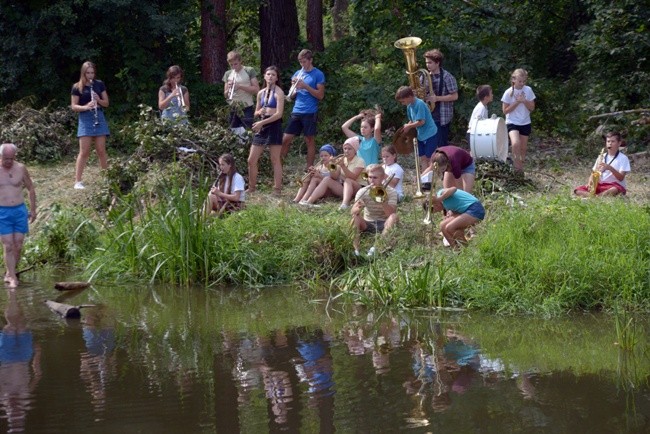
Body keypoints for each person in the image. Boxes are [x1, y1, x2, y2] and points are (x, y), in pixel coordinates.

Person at [0, 288, 42, 433]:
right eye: (18, 417)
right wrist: (36, 359)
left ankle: (12, 294)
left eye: (14, 417)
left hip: (6, 356)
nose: (16, 411)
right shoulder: (26, 398)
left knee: (11, 325)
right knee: (21, 325)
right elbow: (37, 376)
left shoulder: (1, 397)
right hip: (24, 356)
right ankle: (15, 295)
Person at [281, 49, 326, 167]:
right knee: (286, 138)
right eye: (300, 62)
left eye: (304, 61)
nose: (302, 64)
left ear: (311, 60)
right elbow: (291, 96)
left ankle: (309, 168)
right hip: (297, 110)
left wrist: (305, 86)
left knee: (309, 140)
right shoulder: (297, 73)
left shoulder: (318, 74)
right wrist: (294, 88)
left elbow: (320, 95)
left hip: (310, 111)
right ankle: (279, 166)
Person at [0, 144, 36, 289]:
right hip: (3, 211)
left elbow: (31, 188)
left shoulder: (21, 168)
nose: (8, 161)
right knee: (8, 244)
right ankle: (12, 277)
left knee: (18, 244)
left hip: (20, 210)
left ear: (15, 157)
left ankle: (10, 272)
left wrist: (33, 209)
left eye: (11, 158)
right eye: (5, 158)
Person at [70, 60, 110, 190]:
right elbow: (74, 106)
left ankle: (107, 178)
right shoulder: (77, 87)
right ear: (83, 73)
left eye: (92, 73)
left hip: (99, 115)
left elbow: (106, 103)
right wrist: (86, 106)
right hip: (85, 117)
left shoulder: (99, 84)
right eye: (88, 73)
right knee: (84, 151)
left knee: (101, 150)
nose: (90, 75)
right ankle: (78, 181)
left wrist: (98, 100)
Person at [248, 66, 285, 194]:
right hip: (261, 125)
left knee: (275, 159)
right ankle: (251, 187)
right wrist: (259, 112)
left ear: (276, 78)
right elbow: (255, 112)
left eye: (273, 75)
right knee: (251, 160)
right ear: (264, 76)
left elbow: (279, 114)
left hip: (274, 125)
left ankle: (277, 189)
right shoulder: (261, 93)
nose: (270, 76)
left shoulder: (279, 93)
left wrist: (262, 122)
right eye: (268, 74)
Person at [300, 138, 365, 209]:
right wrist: (331, 164)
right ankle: (309, 202)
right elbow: (334, 177)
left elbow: (353, 177)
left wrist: (342, 166)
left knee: (348, 180)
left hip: (357, 189)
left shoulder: (360, 161)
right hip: (344, 188)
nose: (346, 151)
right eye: (345, 148)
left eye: (349, 149)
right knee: (327, 179)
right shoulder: (342, 159)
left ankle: (345, 204)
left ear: (355, 150)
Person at [351, 164, 399, 257]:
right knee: (354, 217)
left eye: (375, 177)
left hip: (384, 223)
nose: (372, 180)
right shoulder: (362, 191)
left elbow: (391, 214)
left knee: (394, 217)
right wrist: (357, 209)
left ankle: (376, 248)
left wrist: (383, 202)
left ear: (382, 178)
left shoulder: (391, 192)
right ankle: (355, 250)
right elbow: (352, 212)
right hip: (367, 223)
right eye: (370, 177)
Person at [574, 132, 631, 197]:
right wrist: (590, 182)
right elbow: (593, 172)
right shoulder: (601, 156)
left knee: (614, 189)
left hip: (614, 186)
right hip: (600, 185)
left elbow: (621, 178)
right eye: (608, 141)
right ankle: (596, 196)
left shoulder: (623, 158)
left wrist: (610, 168)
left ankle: (594, 197)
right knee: (577, 190)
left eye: (613, 141)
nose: (610, 143)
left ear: (619, 143)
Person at [501, 68, 536, 173]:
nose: (522, 83)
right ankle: (516, 170)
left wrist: (524, 100)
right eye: (520, 81)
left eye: (524, 81)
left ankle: (520, 170)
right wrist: (517, 102)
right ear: (514, 80)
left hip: (525, 122)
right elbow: (505, 111)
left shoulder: (528, 90)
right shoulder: (508, 92)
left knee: (523, 149)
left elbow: (532, 107)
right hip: (512, 122)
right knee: (516, 143)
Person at [423, 49, 459, 151]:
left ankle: (444, 164)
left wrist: (437, 98)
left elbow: (455, 96)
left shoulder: (447, 77)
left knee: (442, 146)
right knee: (430, 146)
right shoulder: (424, 76)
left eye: (430, 62)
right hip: (428, 115)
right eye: (426, 63)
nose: (427, 65)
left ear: (437, 63)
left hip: (441, 116)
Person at [395, 86, 438, 171]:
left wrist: (409, 126)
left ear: (409, 97)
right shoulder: (409, 106)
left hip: (430, 134)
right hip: (420, 135)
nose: (402, 103)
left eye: (403, 101)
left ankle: (430, 177)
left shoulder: (420, 104)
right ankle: (426, 181)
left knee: (430, 158)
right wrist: (406, 127)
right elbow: (412, 120)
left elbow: (421, 122)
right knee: (422, 158)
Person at [223, 51, 260, 137]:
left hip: (246, 107)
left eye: (235, 64)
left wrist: (239, 86)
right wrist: (229, 88)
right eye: (231, 65)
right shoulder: (228, 73)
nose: (233, 67)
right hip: (233, 107)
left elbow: (256, 89)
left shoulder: (249, 70)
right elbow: (225, 95)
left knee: (247, 132)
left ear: (240, 61)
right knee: (234, 132)